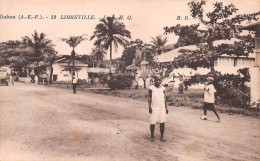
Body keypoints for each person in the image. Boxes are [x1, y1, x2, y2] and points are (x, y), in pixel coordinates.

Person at [148, 75, 168, 141]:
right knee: (153, 121)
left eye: (159, 80)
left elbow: (164, 99)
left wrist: (166, 107)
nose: (158, 81)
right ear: (154, 80)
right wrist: (149, 107)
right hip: (154, 107)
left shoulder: (163, 88)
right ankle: (152, 136)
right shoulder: (151, 88)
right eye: (157, 80)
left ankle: (162, 136)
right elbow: (149, 98)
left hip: (162, 107)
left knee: (162, 121)